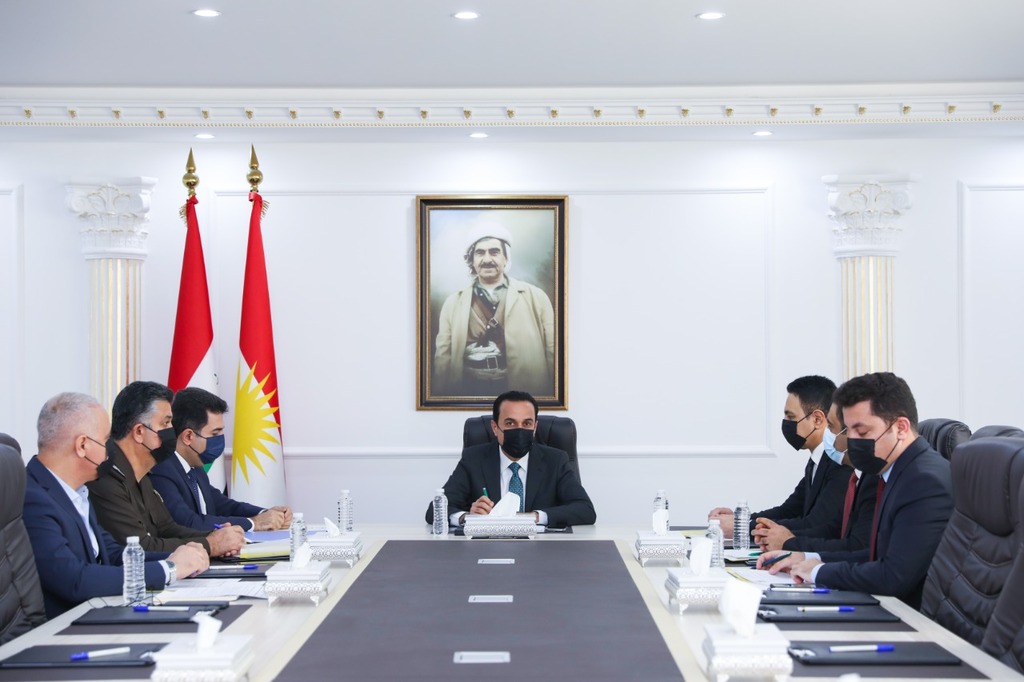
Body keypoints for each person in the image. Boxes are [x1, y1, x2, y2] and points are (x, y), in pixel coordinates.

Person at [758, 372, 954, 609]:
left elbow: (893, 575)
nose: (850, 441)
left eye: (861, 432)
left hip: (910, 618)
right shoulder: (896, 471)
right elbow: (874, 554)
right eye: (848, 430)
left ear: (901, 428)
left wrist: (818, 571)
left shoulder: (924, 482)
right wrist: (807, 557)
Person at [22, 392, 209, 617]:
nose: (110, 450)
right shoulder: (32, 498)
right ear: (82, 445)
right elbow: (74, 580)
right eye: (105, 441)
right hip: (64, 627)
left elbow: (112, 554)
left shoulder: (77, 491)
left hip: (98, 612)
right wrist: (168, 569)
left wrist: (178, 557)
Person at [87, 381, 245, 557]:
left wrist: (215, 536)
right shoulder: (106, 477)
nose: (173, 430)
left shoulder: (142, 474)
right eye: (166, 423)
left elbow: (167, 528)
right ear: (139, 432)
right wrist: (211, 545)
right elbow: (140, 547)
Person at [425, 390, 595, 528]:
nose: (519, 430)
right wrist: (467, 517)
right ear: (495, 427)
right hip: (486, 547)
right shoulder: (474, 459)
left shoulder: (555, 460)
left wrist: (535, 517)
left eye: (527, 424)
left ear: (535, 427)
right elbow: (434, 511)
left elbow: (585, 510)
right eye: (510, 423)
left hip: (542, 548)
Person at [709, 375, 851, 540]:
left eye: (791, 417)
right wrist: (740, 519)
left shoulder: (839, 463)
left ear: (817, 419)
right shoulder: (816, 461)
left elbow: (815, 524)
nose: (785, 423)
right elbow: (789, 510)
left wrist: (741, 527)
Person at [433, 223, 555, 397]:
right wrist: (439, 396)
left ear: (506, 258)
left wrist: (552, 395)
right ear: (472, 261)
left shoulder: (537, 297)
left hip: (523, 392)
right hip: (468, 390)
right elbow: (442, 357)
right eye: (480, 253)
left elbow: (553, 350)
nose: (487, 259)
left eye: (494, 252)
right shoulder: (452, 303)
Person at [150, 387, 292, 532]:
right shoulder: (162, 469)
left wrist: (266, 513)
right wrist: (254, 523)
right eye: (215, 433)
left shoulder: (194, 466)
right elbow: (188, 522)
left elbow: (224, 505)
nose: (221, 439)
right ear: (188, 436)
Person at [752, 401, 879, 553]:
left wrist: (789, 543)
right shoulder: (823, 465)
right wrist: (775, 536)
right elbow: (832, 528)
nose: (827, 433)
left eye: (830, 427)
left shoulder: (861, 476)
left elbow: (856, 547)